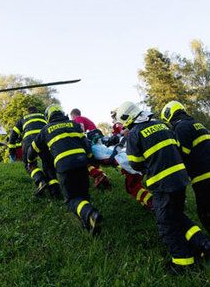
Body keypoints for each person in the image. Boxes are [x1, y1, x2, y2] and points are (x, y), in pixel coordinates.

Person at [117, 101, 210, 272]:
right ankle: (203, 243)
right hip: (180, 180)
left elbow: (135, 164)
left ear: (127, 118)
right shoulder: (161, 124)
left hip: (162, 184)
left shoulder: (134, 133)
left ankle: (184, 264)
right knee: (177, 216)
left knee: (166, 224)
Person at [28, 105, 102, 235]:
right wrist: (91, 160)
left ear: (48, 117)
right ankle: (88, 220)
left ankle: (90, 213)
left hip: (65, 167)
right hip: (82, 163)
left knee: (71, 199)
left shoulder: (46, 129)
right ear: (62, 113)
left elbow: (32, 149)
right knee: (83, 195)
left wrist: (30, 161)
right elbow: (86, 144)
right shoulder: (74, 124)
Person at [161, 101, 210, 232]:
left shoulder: (180, 127)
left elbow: (182, 154)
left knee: (205, 213)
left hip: (202, 177)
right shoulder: (197, 124)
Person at [8, 106, 61, 197]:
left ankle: (41, 181)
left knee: (29, 164)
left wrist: (12, 151)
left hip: (29, 142)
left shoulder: (23, 119)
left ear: (28, 112)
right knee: (48, 165)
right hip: (44, 140)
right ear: (37, 111)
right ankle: (55, 189)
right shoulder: (44, 117)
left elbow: (13, 135)